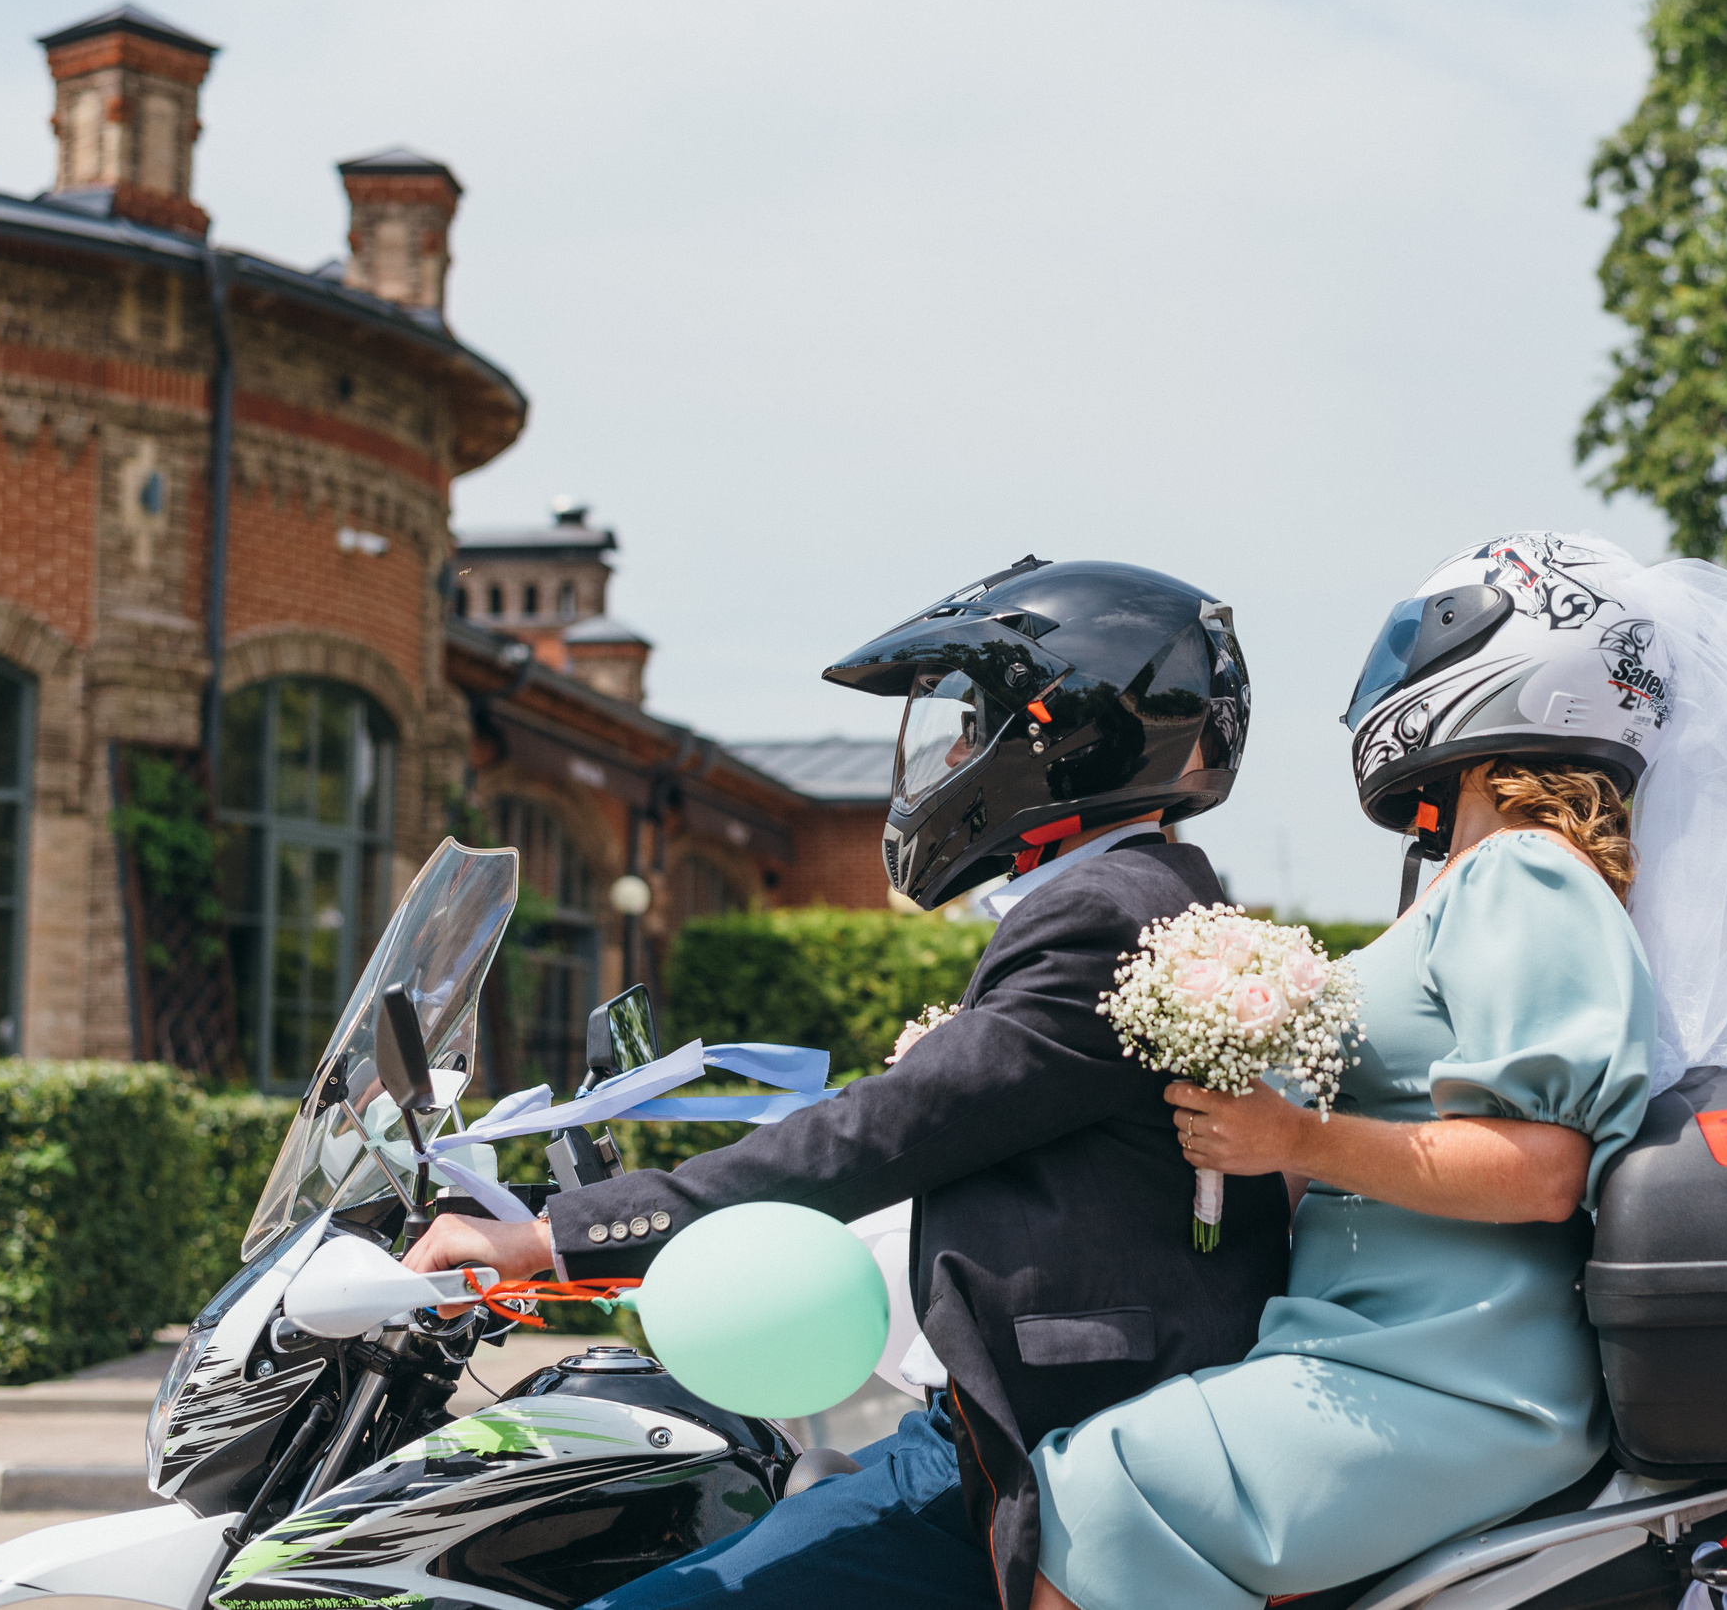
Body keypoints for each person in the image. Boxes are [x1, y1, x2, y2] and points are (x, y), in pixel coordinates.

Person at [1026, 530, 1727, 1610]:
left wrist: (1296, 1138)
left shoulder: (1525, 873)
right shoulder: (1471, 879)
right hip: (1374, 1345)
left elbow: (1540, 1166)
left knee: (1108, 1483)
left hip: (1455, 1377)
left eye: (1423, 644)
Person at [403, 556, 1285, 1610]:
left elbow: (883, 1131)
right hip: (995, 1422)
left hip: (1027, 1447)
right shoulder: (1145, 897)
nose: (953, 754)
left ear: (1068, 736)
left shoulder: (1105, 914)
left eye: (974, 725)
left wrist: (553, 1233)